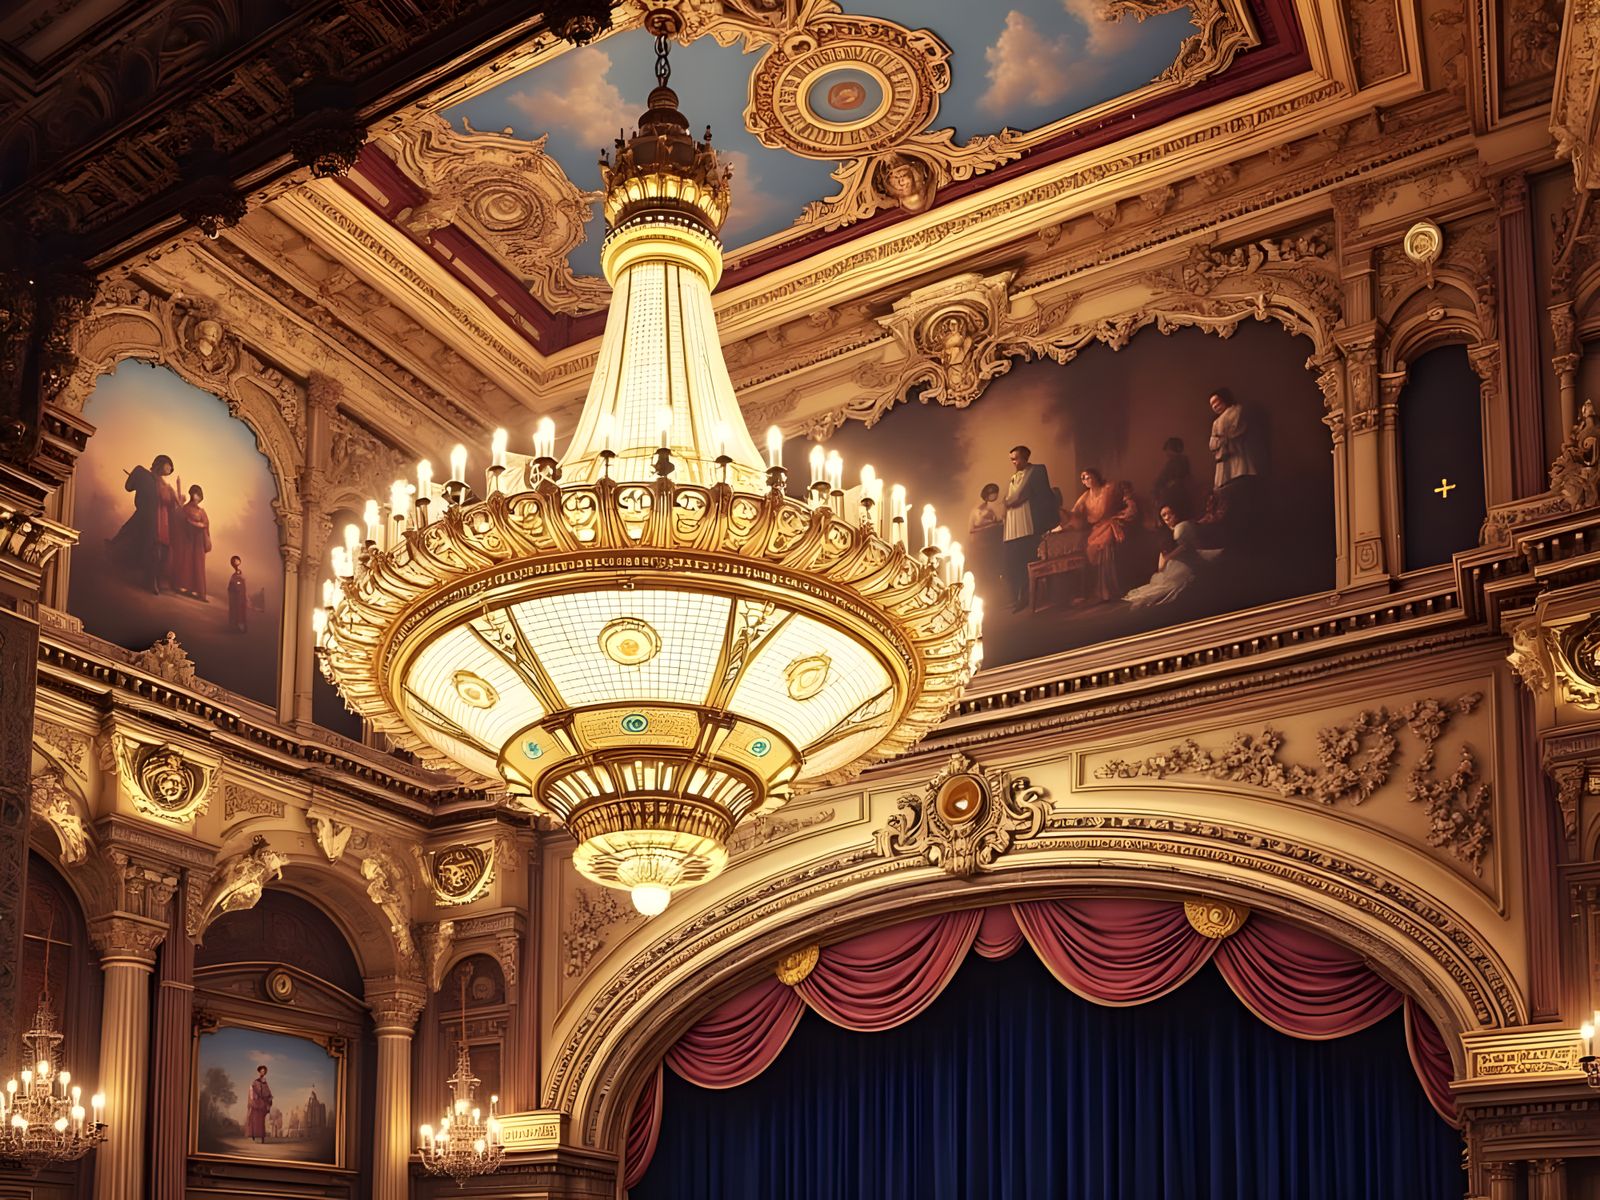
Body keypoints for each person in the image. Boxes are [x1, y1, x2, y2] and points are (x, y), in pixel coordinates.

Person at [1124, 504, 1221, 608]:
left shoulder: (1183, 527)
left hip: (1190, 560)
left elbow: (1195, 536)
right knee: (1170, 586)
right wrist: (1180, 550)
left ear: (1175, 514)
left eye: (1169, 514)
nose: (1167, 517)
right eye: (1164, 515)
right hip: (1177, 566)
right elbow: (1162, 564)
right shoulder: (1166, 536)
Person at [108, 454, 178, 594]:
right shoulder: (143, 473)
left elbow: (169, 503)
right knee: (141, 544)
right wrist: (136, 478)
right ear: (161, 463)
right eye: (168, 465)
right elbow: (129, 487)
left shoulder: (164, 485)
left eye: (171, 468)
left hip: (160, 520)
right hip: (147, 517)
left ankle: (151, 579)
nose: (170, 469)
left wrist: (175, 498)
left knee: (156, 551)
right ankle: (147, 579)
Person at [1069, 468, 1139, 603]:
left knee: (1106, 543)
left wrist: (1127, 503)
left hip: (1112, 522)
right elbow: (1074, 513)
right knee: (1092, 548)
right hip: (1098, 528)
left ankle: (1111, 589)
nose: (1086, 480)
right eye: (1083, 478)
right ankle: (1099, 590)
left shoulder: (1108, 488)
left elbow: (1125, 497)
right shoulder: (1085, 497)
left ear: (1096, 476)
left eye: (1088, 477)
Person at [1001, 446, 1054, 611]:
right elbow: (1010, 499)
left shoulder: (1036, 471)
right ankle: (1019, 598)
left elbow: (1021, 497)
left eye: (1016, 459)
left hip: (1028, 525)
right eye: (1012, 460)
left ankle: (1032, 597)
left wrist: (1009, 501)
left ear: (1024, 458)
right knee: (1015, 564)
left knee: (1028, 560)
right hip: (1012, 527)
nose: (1014, 463)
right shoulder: (1014, 477)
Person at [169, 484, 212, 599]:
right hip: (187, 539)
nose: (197, 497)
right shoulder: (185, 509)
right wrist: (189, 523)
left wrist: (201, 526)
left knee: (198, 564)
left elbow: (206, 524)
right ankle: (183, 586)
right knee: (186, 561)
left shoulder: (202, 511)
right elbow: (178, 520)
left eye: (199, 495)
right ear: (191, 494)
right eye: (195, 494)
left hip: (198, 541)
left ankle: (198, 590)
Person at [1207, 390, 1257, 491]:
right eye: (1212, 405)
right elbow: (1212, 444)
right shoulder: (1216, 423)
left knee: (1239, 486)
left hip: (1239, 457)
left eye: (1217, 402)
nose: (1215, 406)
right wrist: (1220, 441)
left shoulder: (1236, 411)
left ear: (1224, 399)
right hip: (1224, 462)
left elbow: (1236, 431)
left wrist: (1221, 439)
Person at [968, 483, 1002, 583]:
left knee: (993, 570)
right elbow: (971, 529)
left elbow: (999, 521)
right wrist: (987, 527)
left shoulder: (992, 510)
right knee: (983, 573)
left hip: (992, 546)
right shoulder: (976, 511)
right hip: (980, 547)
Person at [246, 1065, 272, 1143]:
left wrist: (269, 1097)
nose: (262, 1072)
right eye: (261, 1071)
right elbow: (251, 1090)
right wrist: (254, 1098)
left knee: (261, 1122)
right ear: (259, 1071)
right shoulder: (255, 1082)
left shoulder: (265, 1082)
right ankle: (253, 1135)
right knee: (254, 1120)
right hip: (255, 1103)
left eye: (264, 1071)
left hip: (262, 1104)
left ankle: (262, 1137)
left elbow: (267, 1091)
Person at [227, 556, 248, 633]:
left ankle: (240, 625)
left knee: (240, 610)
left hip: (240, 595)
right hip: (235, 595)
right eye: (233, 561)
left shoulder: (239, 573)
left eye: (236, 561)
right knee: (235, 610)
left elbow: (240, 583)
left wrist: (237, 586)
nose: (235, 563)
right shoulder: (234, 575)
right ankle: (235, 626)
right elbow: (232, 584)